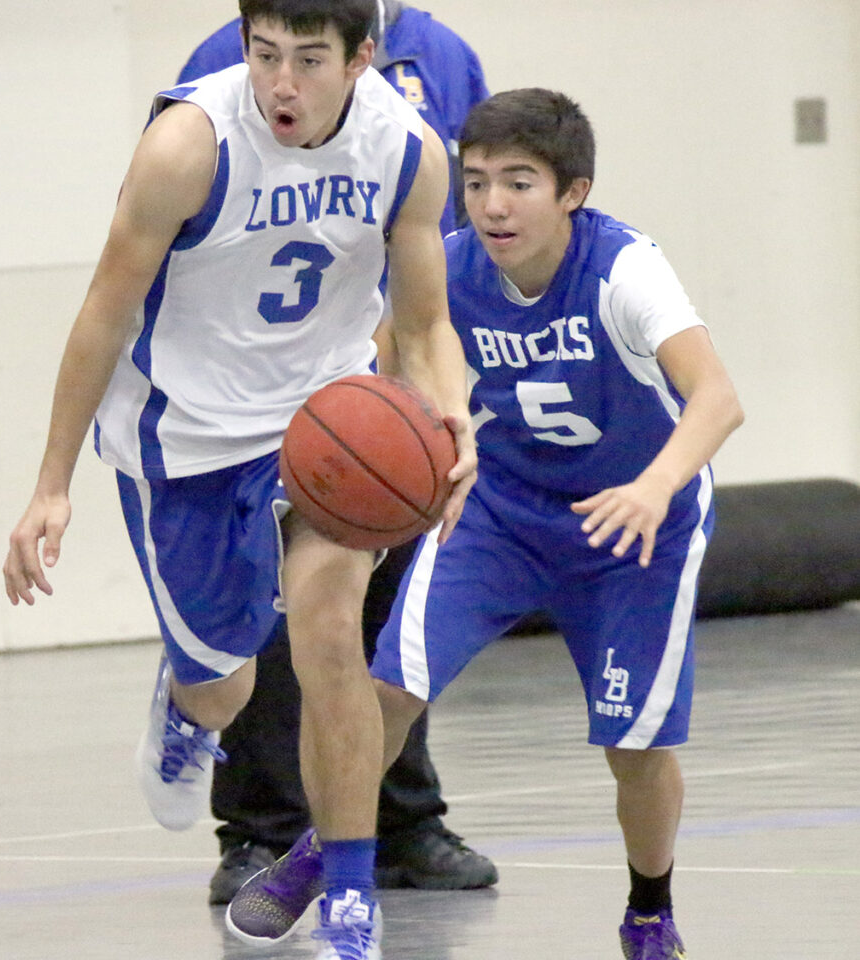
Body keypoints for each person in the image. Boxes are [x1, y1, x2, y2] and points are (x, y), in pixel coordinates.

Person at [2, 0, 477, 958]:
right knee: (228, 685)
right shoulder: (189, 145)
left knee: (332, 641)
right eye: (263, 54)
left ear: (361, 58)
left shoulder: (406, 152)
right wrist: (50, 484)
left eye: (308, 59)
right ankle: (188, 704)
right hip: (189, 435)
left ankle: (348, 897)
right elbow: (104, 311)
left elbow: (426, 322)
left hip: (327, 423)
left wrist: (449, 415)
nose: (280, 83)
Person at [223, 88, 744, 960]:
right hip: (498, 509)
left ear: (571, 192)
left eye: (517, 182)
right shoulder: (449, 266)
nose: (492, 204)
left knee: (634, 746)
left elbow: (718, 397)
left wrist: (654, 487)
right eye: (474, 183)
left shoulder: (624, 271)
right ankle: (327, 850)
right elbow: (381, 373)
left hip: (629, 528)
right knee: (388, 692)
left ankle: (648, 913)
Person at [177, 0, 497, 905]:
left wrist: (443, 384)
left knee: (391, 620)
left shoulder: (440, 53)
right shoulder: (227, 59)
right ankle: (258, 830)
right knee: (282, 621)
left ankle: (403, 819)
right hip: (262, 388)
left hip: (387, 385)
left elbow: (453, 223)